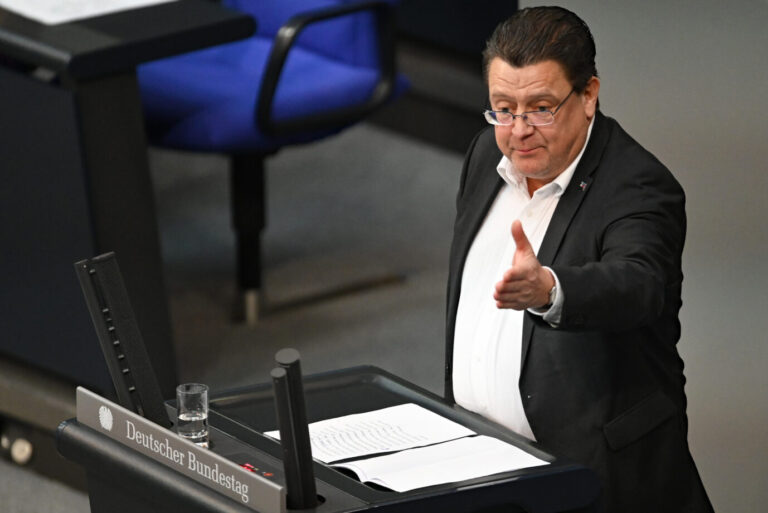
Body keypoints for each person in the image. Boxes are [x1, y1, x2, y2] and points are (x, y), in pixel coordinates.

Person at [445, 6, 713, 512]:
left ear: (588, 95)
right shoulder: (485, 154)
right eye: (503, 108)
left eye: (540, 108)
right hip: (482, 471)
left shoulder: (637, 185)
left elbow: (637, 284)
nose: (518, 130)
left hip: (597, 487)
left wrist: (550, 289)